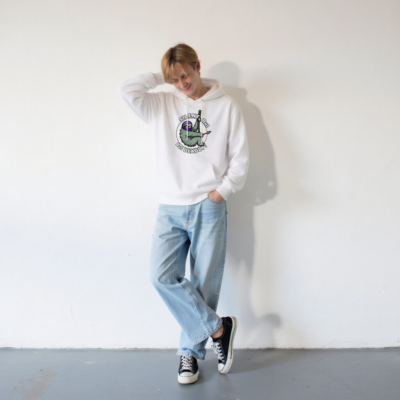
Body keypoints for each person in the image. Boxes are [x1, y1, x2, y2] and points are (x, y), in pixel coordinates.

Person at [118, 42, 249, 385]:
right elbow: (127, 90)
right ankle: (219, 328)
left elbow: (240, 158)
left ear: (198, 66)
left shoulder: (227, 106)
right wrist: (162, 76)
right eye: (174, 80)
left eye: (185, 76)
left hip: (209, 204)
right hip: (170, 205)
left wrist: (221, 192)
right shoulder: (161, 103)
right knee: (161, 276)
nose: (182, 84)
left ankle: (188, 353)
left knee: (204, 284)